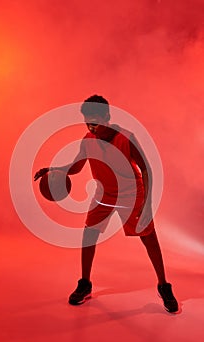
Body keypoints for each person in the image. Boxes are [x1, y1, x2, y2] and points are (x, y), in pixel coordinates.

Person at [34, 95, 178, 313]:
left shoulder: (125, 138)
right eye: (87, 122)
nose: (91, 127)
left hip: (131, 193)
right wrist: (55, 169)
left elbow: (146, 168)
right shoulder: (88, 140)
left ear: (107, 117)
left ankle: (163, 285)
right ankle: (85, 283)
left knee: (148, 237)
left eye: (95, 122)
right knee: (89, 234)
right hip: (104, 194)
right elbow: (77, 167)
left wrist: (147, 204)